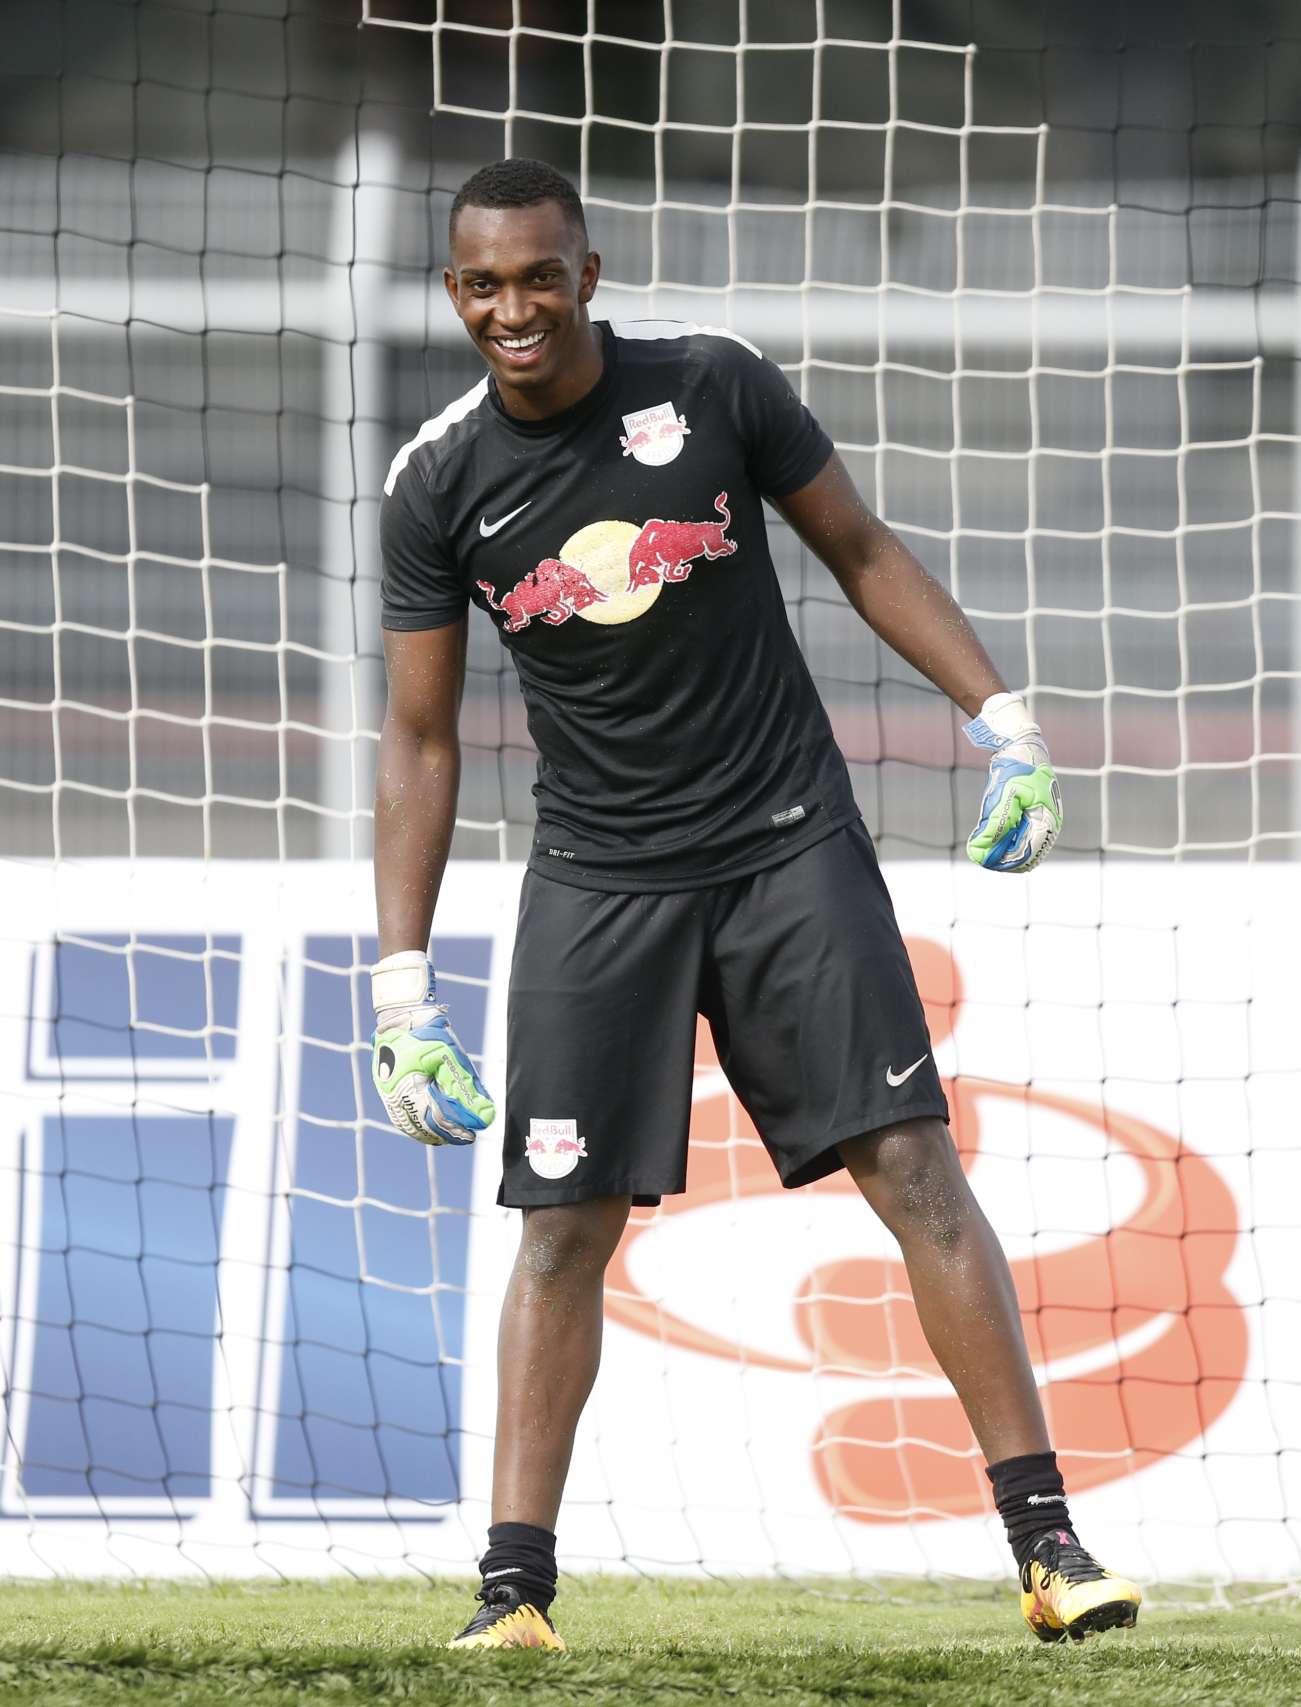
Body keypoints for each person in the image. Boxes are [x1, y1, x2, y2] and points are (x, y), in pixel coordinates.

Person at [366, 159, 1132, 1652]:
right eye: (485, 285)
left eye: (540, 276)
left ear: (588, 274)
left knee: (914, 1169)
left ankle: (1050, 1546)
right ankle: (512, 1594)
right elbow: (419, 736)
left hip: (789, 847)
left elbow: (861, 548)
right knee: (560, 1229)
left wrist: (1006, 723)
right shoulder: (436, 482)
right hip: (600, 884)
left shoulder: (713, 385)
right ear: (454, 293)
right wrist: (400, 989)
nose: (514, 309)